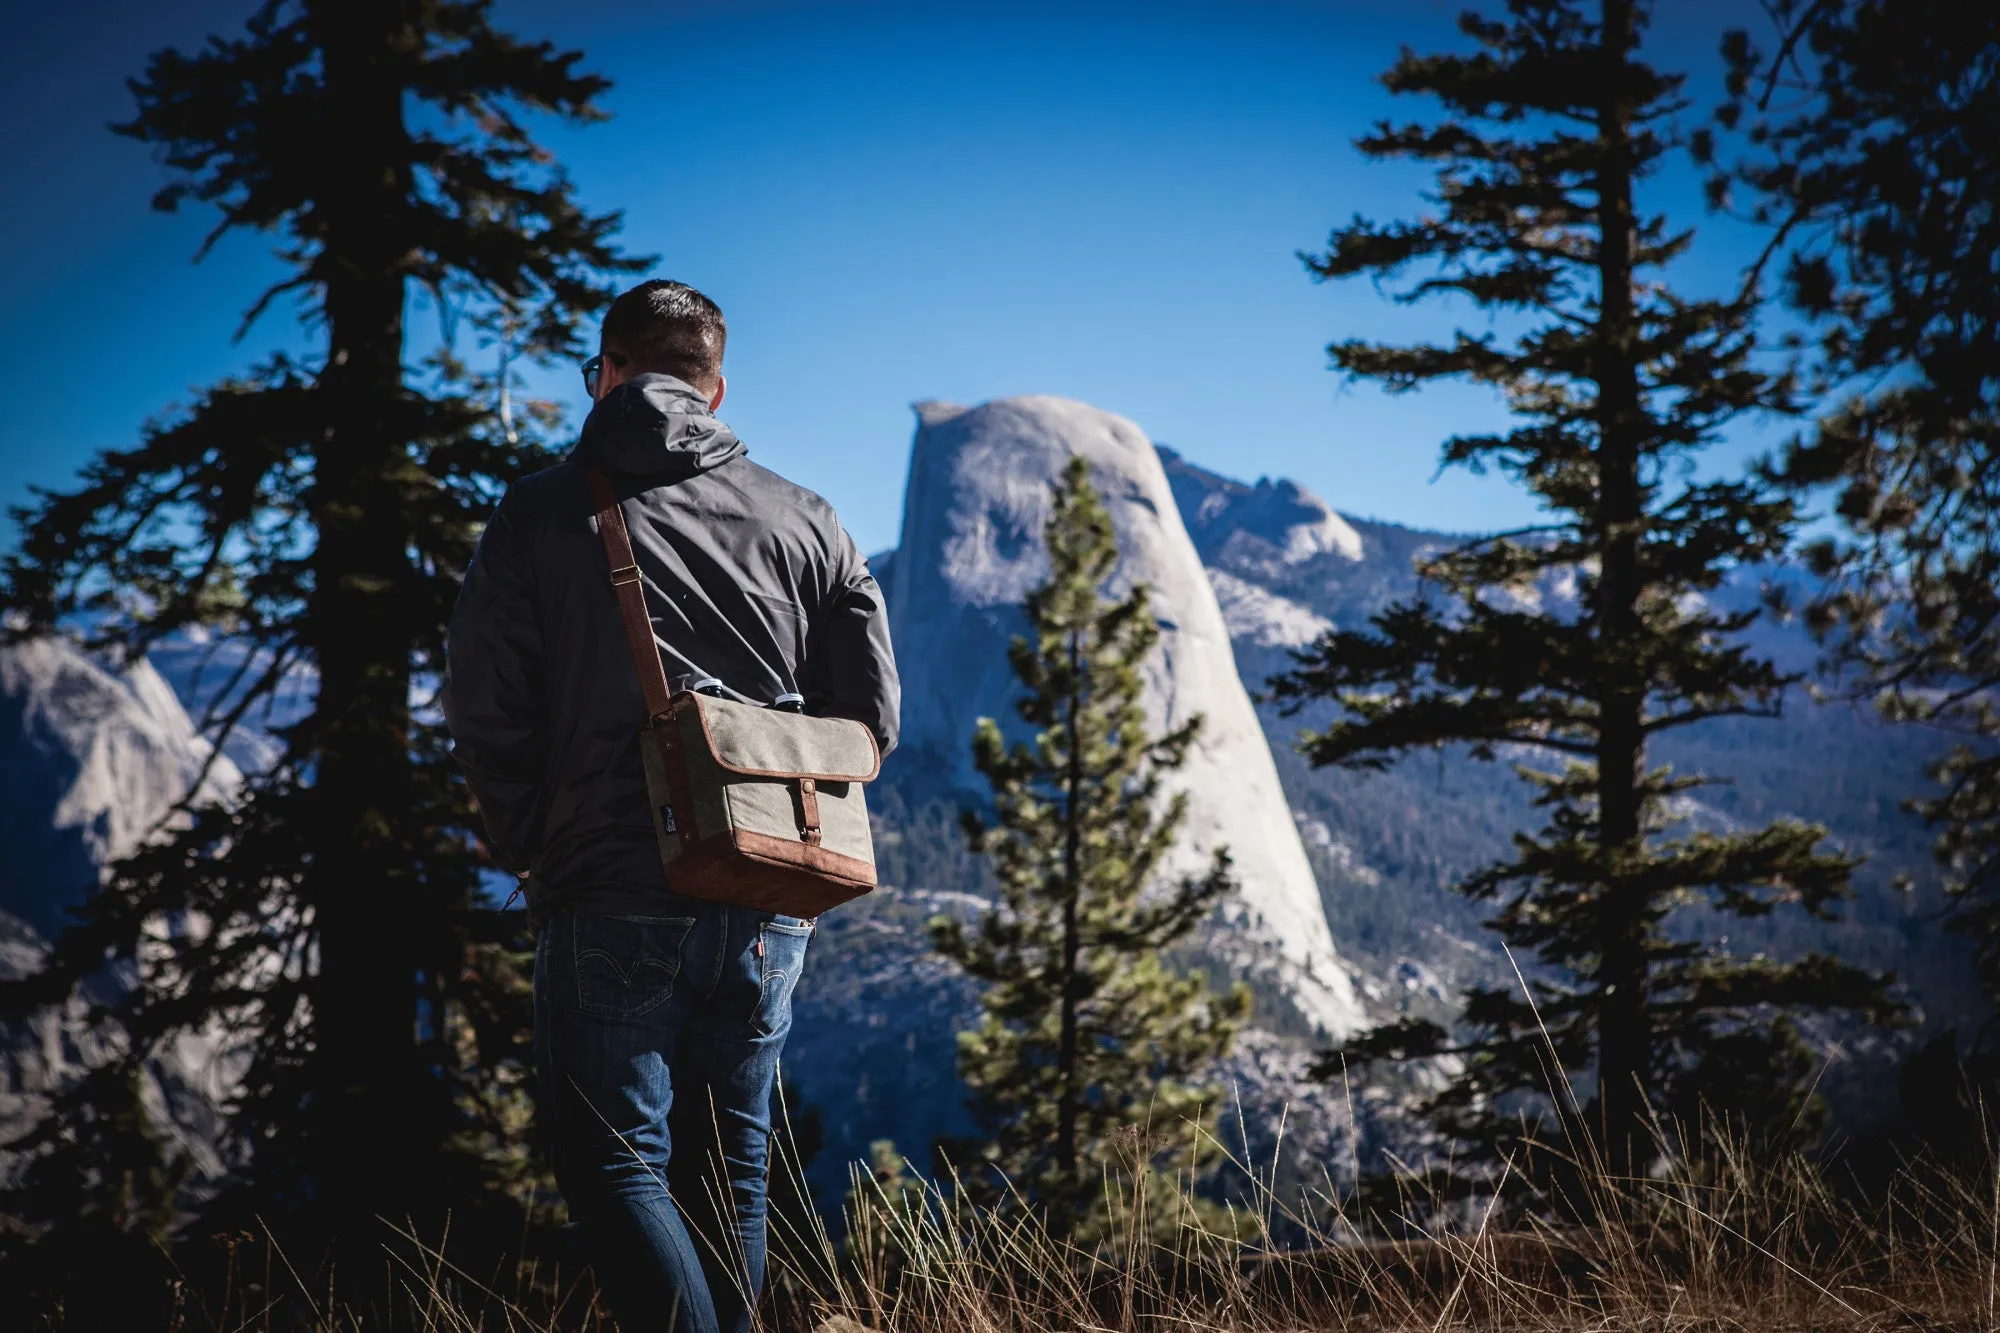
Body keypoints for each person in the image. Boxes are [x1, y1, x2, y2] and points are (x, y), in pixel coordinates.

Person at [444, 279, 900, 1333]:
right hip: (768, 885)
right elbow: (870, 717)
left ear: (605, 372)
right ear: (716, 389)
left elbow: (483, 701)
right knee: (731, 1164)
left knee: (612, 1159)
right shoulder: (808, 517)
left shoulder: (542, 511)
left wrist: (527, 843)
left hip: (607, 881)